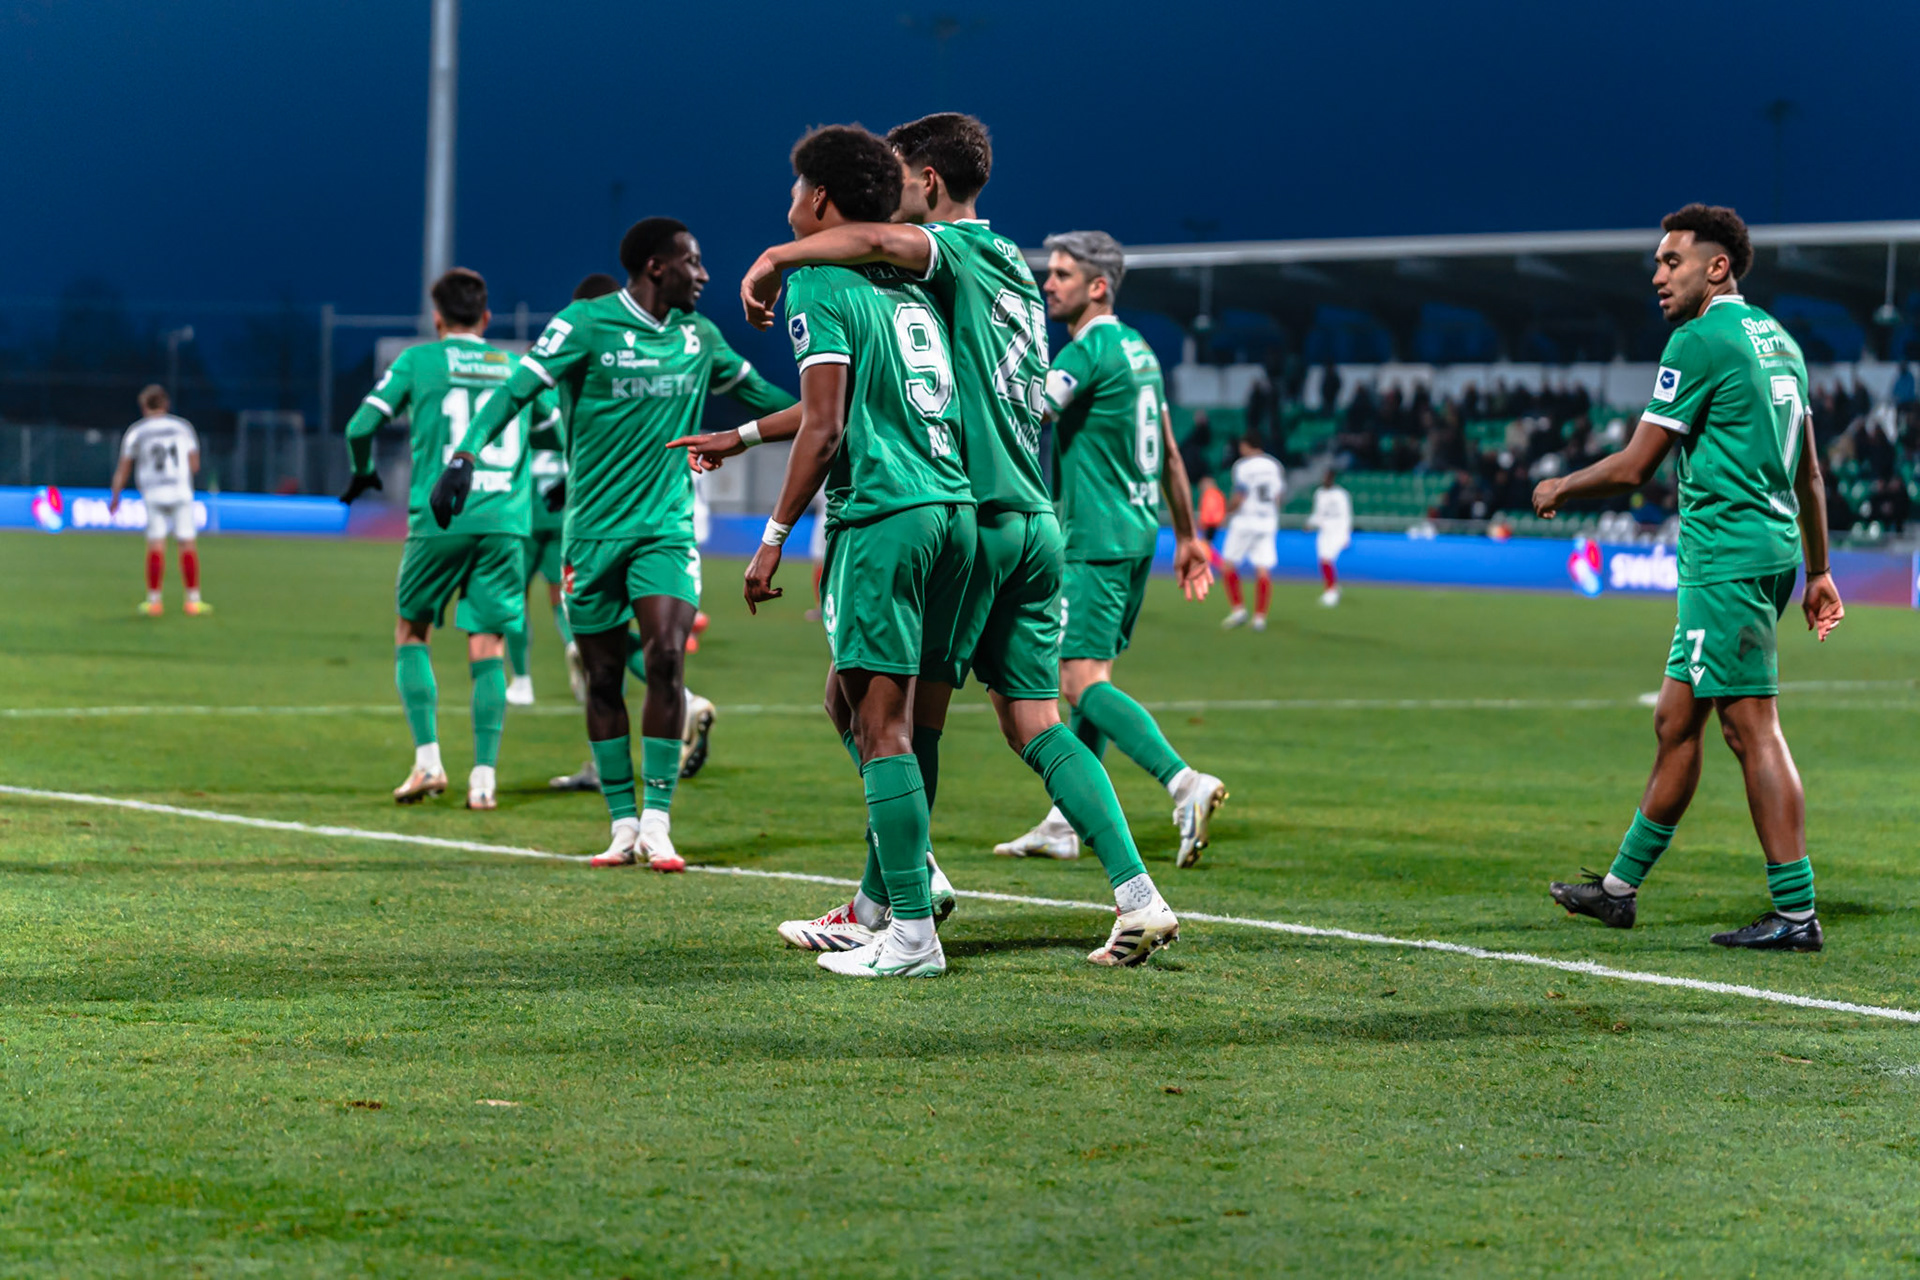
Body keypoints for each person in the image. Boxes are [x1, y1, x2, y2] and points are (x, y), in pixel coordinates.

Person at [725, 112, 1181, 966]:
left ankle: (903, 909)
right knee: (1033, 722)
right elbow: (865, 385)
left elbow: (880, 255)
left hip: (972, 513)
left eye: (899, 177)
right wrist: (746, 435)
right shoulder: (1006, 264)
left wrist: (777, 256)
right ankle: (1137, 894)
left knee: (883, 713)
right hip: (1036, 519)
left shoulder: (951, 253)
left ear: (927, 181)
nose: (888, 199)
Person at [1534, 203, 1845, 952]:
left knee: (1750, 729)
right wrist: (1821, 570)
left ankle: (1797, 914)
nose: (1657, 274)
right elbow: (1808, 471)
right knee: (1677, 721)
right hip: (1768, 553)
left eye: (1672, 260)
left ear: (1718, 266)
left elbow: (1638, 465)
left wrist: (1559, 487)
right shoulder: (1781, 341)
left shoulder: (1699, 339)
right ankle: (1617, 891)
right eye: (1658, 261)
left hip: (1727, 560)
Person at [438, 219, 794, 870]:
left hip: (664, 528)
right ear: (656, 267)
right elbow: (516, 391)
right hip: (591, 535)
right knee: (602, 676)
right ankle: (621, 823)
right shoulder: (584, 324)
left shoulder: (700, 336)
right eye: (694, 261)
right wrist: (463, 456)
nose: (705, 274)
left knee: (664, 658)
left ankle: (657, 822)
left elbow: (768, 399)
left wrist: (831, 411)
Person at [741, 123, 975, 977]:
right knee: (850, 704)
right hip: (954, 512)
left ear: (822, 201)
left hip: (886, 513)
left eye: (796, 192)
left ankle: (912, 930)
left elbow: (830, 425)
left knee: (881, 729)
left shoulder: (819, 284)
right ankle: (905, 881)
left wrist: (771, 539)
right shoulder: (913, 284)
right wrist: (740, 434)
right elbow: (838, 408)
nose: (789, 206)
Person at [997, 231, 1225, 869]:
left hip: (1093, 537)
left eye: (1063, 275)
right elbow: (1172, 452)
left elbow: (1036, 408)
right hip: (1137, 533)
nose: (1049, 284)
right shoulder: (1139, 350)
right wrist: (1186, 536)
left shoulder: (1091, 347)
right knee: (1092, 679)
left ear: (1098, 286)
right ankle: (1064, 821)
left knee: (1075, 682)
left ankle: (1183, 783)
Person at [339, 267, 558, 810]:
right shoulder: (514, 365)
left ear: (437, 318)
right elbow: (557, 428)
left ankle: (429, 760)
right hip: (506, 522)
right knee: (489, 644)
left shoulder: (419, 361)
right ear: (486, 317)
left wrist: (363, 469)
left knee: (412, 630)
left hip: (440, 517)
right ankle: (483, 778)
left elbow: (359, 426)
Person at [110, 386, 208, 616]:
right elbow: (195, 464)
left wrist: (115, 496)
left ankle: (154, 602)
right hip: (180, 490)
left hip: (153, 492)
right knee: (187, 543)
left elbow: (124, 468)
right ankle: (193, 601)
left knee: (156, 544)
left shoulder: (137, 431)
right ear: (166, 404)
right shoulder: (182, 427)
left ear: (144, 406)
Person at [1219, 433, 1284, 630]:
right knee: (1263, 569)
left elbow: (1240, 495)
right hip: (1267, 521)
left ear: (1247, 446)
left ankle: (1238, 610)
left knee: (1228, 565)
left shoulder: (1242, 466)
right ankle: (1259, 618)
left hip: (1245, 520)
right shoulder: (1275, 465)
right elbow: (1278, 496)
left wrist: (1227, 513)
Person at [1308, 468, 1353, 606]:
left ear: (1332, 478)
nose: (1324, 480)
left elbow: (1346, 515)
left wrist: (1346, 535)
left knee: (1327, 559)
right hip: (1324, 531)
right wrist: (1310, 523)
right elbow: (1318, 513)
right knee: (1324, 560)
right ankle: (1332, 587)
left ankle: (1331, 591)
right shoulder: (1319, 493)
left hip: (1337, 530)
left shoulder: (1341, 495)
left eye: (1327, 477)